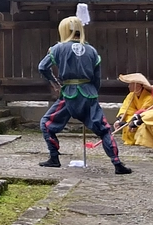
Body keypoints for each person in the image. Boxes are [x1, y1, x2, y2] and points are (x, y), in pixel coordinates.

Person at [37, 16, 131, 174]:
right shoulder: (92, 50)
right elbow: (97, 79)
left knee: (46, 123)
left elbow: (42, 67)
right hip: (89, 95)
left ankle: (54, 158)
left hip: (69, 94)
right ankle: (117, 163)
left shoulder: (58, 48)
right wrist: (93, 94)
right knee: (104, 130)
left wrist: (54, 82)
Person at [113, 73, 153, 145]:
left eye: (131, 84)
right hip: (131, 118)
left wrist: (130, 121)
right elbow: (125, 108)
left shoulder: (149, 98)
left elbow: (143, 113)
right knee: (127, 123)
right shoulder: (131, 95)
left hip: (141, 120)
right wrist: (120, 120)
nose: (129, 86)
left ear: (138, 85)